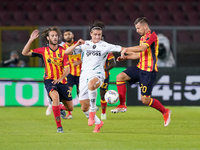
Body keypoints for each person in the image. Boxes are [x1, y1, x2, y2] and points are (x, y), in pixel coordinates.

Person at [64, 21, 123, 133]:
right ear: (91, 34)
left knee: (93, 86)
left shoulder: (105, 46)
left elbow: (121, 50)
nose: (97, 36)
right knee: (83, 107)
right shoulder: (85, 45)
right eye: (95, 34)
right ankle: (98, 122)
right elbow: (67, 52)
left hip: (98, 74)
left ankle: (93, 111)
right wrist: (76, 44)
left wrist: (138, 50)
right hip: (83, 76)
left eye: (99, 34)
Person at [113, 17, 171, 127]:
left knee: (145, 100)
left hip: (149, 71)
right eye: (136, 28)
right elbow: (139, 54)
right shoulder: (142, 38)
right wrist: (126, 57)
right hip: (139, 68)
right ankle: (122, 105)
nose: (137, 30)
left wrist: (126, 48)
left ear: (145, 26)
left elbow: (142, 48)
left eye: (138, 28)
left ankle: (165, 111)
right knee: (120, 76)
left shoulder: (152, 36)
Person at [22, 27, 73, 133]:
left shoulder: (64, 51)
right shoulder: (43, 51)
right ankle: (59, 127)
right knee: (55, 97)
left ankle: (59, 107)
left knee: (70, 108)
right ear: (48, 38)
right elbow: (24, 53)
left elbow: (67, 70)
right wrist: (31, 39)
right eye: (52, 36)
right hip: (49, 79)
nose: (55, 37)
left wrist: (60, 79)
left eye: (56, 36)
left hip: (62, 81)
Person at [46, 29, 81, 119]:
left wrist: (80, 61)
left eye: (69, 34)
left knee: (80, 94)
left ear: (72, 35)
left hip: (80, 73)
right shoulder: (62, 47)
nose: (67, 36)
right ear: (63, 37)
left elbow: (87, 56)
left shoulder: (79, 45)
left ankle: (57, 107)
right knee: (68, 93)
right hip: (68, 74)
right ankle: (68, 113)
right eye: (65, 35)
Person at [100, 52, 116, 120]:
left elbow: (113, 63)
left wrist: (103, 70)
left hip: (104, 76)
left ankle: (103, 113)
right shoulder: (91, 50)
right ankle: (91, 111)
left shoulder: (107, 51)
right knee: (90, 92)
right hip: (92, 75)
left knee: (103, 95)